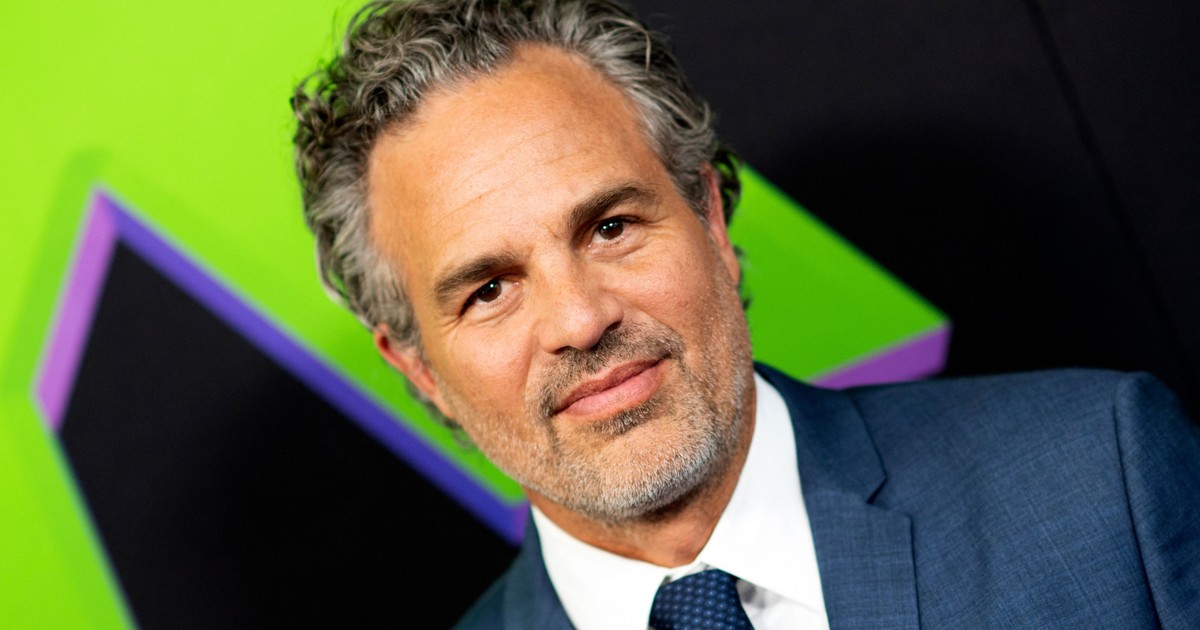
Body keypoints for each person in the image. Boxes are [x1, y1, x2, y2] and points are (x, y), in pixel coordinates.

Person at [291, 1, 1200, 627]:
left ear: (711, 221)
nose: (580, 319)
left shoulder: (1102, 482)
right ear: (418, 368)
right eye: (488, 289)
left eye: (610, 228)